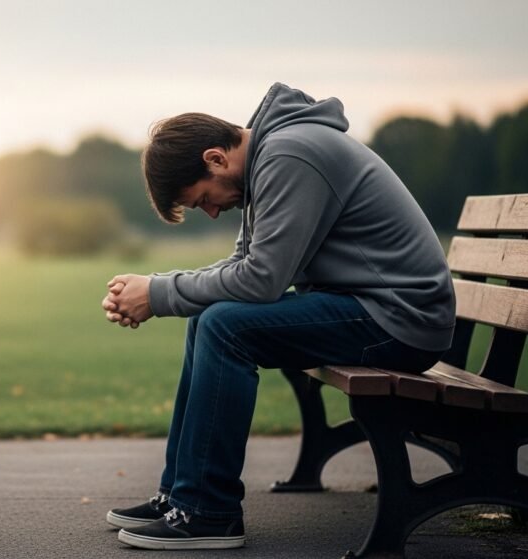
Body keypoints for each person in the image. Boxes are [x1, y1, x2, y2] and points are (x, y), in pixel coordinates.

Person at [100, 82, 455, 550]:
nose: (210, 212)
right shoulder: (273, 155)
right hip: (371, 308)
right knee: (208, 318)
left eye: (203, 198)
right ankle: (180, 496)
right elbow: (243, 267)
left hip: (400, 319)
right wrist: (157, 285)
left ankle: (208, 511)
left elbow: (260, 282)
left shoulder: (291, 154)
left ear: (215, 158)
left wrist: (160, 293)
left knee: (225, 326)